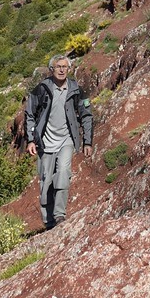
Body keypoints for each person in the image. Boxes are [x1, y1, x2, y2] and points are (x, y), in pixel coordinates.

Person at [24, 54, 94, 230]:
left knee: (63, 171)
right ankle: (49, 223)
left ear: (69, 69)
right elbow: (29, 114)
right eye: (58, 67)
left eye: (65, 67)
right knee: (46, 182)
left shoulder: (76, 89)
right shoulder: (41, 89)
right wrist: (31, 140)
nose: (62, 70)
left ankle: (60, 215)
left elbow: (86, 115)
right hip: (45, 143)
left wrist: (87, 141)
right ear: (51, 69)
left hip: (67, 140)